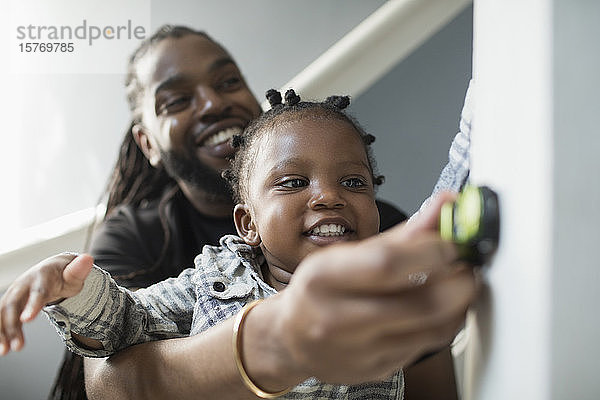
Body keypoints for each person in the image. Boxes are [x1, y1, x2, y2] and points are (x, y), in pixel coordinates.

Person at [0, 90, 477, 399]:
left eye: (354, 182)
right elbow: (125, 327)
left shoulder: (388, 276)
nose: (329, 196)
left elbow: (448, 200)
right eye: (293, 183)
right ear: (248, 224)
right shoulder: (214, 280)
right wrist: (72, 288)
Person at [48, 25, 410, 400]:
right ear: (246, 224)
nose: (212, 103)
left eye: (227, 81)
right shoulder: (186, 265)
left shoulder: (383, 239)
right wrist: (76, 293)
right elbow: (111, 382)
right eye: (177, 100)